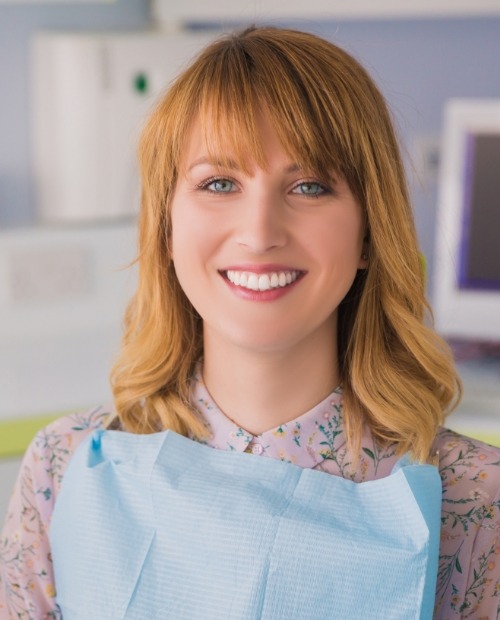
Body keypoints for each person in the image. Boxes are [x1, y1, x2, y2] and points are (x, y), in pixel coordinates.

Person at [1, 25, 499, 620]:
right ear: (165, 227)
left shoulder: (473, 500)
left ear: (369, 232)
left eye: (310, 185)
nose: (260, 233)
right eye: (219, 183)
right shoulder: (64, 465)